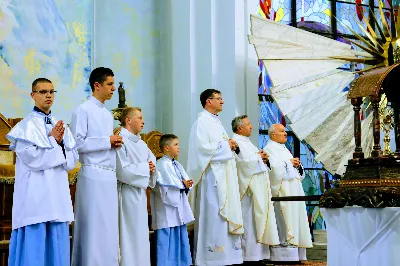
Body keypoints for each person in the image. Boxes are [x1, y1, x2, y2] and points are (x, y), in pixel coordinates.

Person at [6, 78, 78, 266]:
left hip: (57, 193)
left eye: (51, 92)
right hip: (35, 194)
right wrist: (54, 141)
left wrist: (60, 142)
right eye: (43, 92)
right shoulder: (24, 127)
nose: (48, 95)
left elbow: (71, 161)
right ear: (33, 95)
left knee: (57, 239)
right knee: (35, 244)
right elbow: (34, 160)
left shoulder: (60, 125)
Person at [70, 67, 123, 266]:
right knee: (93, 226)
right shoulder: (83, 110)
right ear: (97, 85)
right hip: (92, 174)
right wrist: (106, 141)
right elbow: (77, 144)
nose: (113, 88)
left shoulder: (107, 114)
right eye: (109, 84)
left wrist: (114, 144)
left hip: (108, 176)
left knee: (108, 227)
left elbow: (104, 143)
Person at [187, 89, 244, 265]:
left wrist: (230, 146)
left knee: (223, 217)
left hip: (224, 177)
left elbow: (219, 147)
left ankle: (228, 256)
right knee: (214, 215)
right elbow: (202, 149)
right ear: (208, 101)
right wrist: (226, 146)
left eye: (222, 98)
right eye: (218, 98)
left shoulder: (216, 122)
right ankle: (212, 257)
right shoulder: (201, 122)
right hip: (213, 179)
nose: (222, 101)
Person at [231, 115, 280, 263]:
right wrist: (259, 157)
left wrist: (263, 159)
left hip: (257, 188)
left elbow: (252, 161)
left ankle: (258, 255)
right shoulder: (236, 142)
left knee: (257, 221)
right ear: (240, 128)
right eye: (248, 124)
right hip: (248, 190)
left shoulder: (246, 142)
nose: (251, 126)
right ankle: (249, 256)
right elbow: (242, 164)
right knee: (250, 222)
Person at [263, 124, 313, 261]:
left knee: (296, 220)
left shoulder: (284, 149)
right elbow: (272, 169)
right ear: (273, 135)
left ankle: (296, 254)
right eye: (282, 131)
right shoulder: (269, 149)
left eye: (285, 131)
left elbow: (294, 171)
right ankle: (284, 257)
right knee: (286, 221)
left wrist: (297, 165)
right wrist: (289, 163)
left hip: (294, 189)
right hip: (283, 190)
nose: (285, 133)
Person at [116, 107, 157, 266]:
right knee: (129, 234)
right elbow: (121, 170)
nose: (143, 121)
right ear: (128, 120)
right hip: (126, 194)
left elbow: (152, 162)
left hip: (140, 194)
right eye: (139, 118)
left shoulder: (140, 142)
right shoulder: (121, 139)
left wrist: (152, 169)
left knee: (140, 234)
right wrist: (146, 168)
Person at [151, 134, 195, 266]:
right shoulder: (161, 164)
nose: (179, 147)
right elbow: (163, 187)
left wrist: (186, 185)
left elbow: (181, 183)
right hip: (166, 209)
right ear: (166, 147)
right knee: (166, 239)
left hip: (177, 208)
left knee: (179, 236)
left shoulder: (176, 164)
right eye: (175, 144)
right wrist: (182, 185)